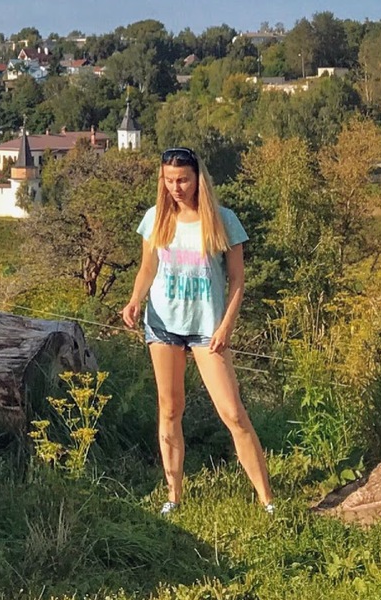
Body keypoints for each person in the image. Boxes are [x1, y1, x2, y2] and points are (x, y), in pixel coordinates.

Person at [118, 146, 276, 515]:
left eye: (183, 179)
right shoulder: (155, 219)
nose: (176, 187)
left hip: (208, 328)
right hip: (163, 325)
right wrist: (134, 299)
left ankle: (267, 500)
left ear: (198, 178)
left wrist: (226, 326)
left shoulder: (222, 220)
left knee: (233, 413)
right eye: (169, 180)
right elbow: (147, 269)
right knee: (170, 409)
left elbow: (237, 280)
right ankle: (173, 496)